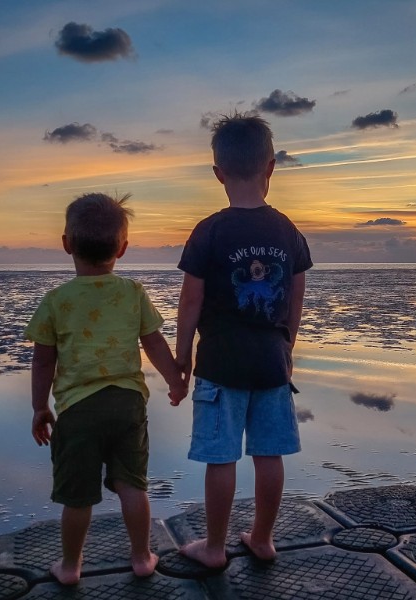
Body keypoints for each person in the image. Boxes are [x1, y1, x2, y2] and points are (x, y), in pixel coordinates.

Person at [26, 192, 187, 585]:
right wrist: (175, 379)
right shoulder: (133, 293)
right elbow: (153, 343)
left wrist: (39, 407)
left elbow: (44, 360)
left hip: (78, 409)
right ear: (123, 248)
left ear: (67, 244)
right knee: (133, 484)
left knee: (77, 495)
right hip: (128, 404)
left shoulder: (55, 301)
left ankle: (70, 566)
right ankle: (141, 557)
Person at [174, 113, 312, 568]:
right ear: (270, 167)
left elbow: (190, 302)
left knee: (222, 458)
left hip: (219, 363)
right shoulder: (286, 229)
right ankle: (263, 539)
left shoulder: (209, 230)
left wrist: (181, 357)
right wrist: (286, 348)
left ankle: (214, 548)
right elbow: (294, 300)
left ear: (218, 173)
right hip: (272, 363)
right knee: (269, 453)